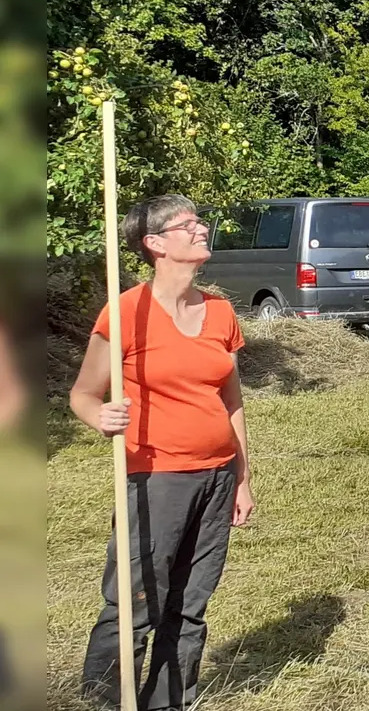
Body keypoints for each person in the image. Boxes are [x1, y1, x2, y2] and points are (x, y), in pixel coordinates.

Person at [72, 195, 255, 710]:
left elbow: (231, 400)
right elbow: (83, 394)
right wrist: (98, 416)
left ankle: (170, 700)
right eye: (188, 224)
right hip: (153, 477)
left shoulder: (219, 312)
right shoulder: (126, 311)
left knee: (191, 601)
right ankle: (107, 699)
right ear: (155, 245)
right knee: (135, 601)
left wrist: (242, 478)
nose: (201, 229)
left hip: (216, 475)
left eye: (200, 219)